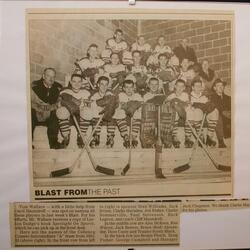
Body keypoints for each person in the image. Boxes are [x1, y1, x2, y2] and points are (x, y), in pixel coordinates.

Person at [56, 73, 92, 148]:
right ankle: (66, 136)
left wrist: (82, 107)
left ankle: (81, 136)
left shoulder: (86, 93)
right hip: (69, 117)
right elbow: (58, 104)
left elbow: (88, 106)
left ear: (82, 83)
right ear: (71, 82)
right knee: (61, 111)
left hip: (80, 118)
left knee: (87, 112)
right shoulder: (65, 92)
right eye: (74, 81)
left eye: (79, 82)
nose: (77, 84)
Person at [31, 67, 62, 149]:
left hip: (48, 116)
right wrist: (43, 108)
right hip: (37, 114)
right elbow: (32, 103)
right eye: (48, 76)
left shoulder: (57, 89)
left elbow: (57, 104)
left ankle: (54, 143)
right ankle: (28, 142)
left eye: (53, 77)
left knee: (55, 115)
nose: (51, 79)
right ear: (43, 76)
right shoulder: (35, 86)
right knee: (30, 113)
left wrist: (50, 108)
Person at [184, 78, 219, 148]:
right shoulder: (189, 96)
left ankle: (209, 137)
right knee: (197, 111)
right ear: (193, 87)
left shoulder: (204, 97)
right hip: (194, 116)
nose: (198, 88)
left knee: (215, 111)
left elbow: (208, 107)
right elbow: (187, 108)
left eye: (200, 86)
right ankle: (190, 137)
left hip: (204, 115)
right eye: (196, 86)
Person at [113, 79, 143, 148]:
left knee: (138, 113)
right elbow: (121, 105)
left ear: (134, 88)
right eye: (127, 87)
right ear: (123, 88)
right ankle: (125, 136)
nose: (129, 90)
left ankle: (133, 136)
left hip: (134, 119)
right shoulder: (121, 95)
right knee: (120, 111)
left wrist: (135, 105)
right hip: (124, 119)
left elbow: (141, 104)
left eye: (131, 87)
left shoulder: (137, 95)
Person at [90, 76, 116, 148]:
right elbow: (93, 105)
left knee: (111, 115)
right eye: (102, 84)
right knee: (96, 116)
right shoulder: (94, 95)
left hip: (108, 117)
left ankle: (110, 137)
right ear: (98, 85)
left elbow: (115, 105)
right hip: (98, 117)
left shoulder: (110, 94)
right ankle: (96, 137)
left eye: (106, 84)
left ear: (108, 86)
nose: (104, 87)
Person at [167, 79, 189, 147]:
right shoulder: (171, 96)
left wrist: (178, 103)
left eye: (182, 86)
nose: (180, 88)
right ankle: (174, 135)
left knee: (177, 105)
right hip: (175, 116)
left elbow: (187, 105)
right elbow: (167, 104)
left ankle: (188, 136)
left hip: (183, 115)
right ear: (175, 86)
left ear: (184, 88)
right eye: (178, 86)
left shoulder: (185, 95)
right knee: (174, 111)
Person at [210, 79, 231, 148]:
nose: (221, 87)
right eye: (218, 85)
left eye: (222, 85)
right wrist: (223, 111)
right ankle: (221, 141)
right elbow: (214, 107)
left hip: (228, 116)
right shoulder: (212, 97)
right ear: (214, 88)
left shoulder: (228, 98)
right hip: (219, 116)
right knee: (217, 116)